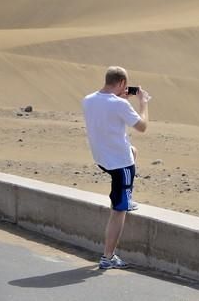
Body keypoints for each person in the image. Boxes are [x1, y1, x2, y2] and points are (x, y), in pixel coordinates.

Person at [82, 66, 150, 269]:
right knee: (118, 211)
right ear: (121, 84)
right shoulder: (120, 105)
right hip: (120, 164)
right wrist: (143, 104)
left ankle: (125, 197)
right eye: (125, 85)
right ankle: (108, 257)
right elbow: (142, 127)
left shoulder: (88, 99)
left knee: (134, 150)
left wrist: (122, 100)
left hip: (101, 158)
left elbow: (107, 111)